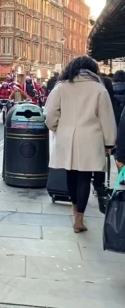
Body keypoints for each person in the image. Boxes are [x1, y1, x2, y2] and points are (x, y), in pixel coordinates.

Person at [45, 56, 116, 233]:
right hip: (91, 138)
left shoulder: (61, 86)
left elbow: (50, 113)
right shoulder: (99, 88)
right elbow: (106, 118)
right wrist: (109, 142)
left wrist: (56, 127)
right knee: (85, 177)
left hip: (66, 136)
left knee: (70, 174)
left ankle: (75, 209)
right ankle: (79, 218)